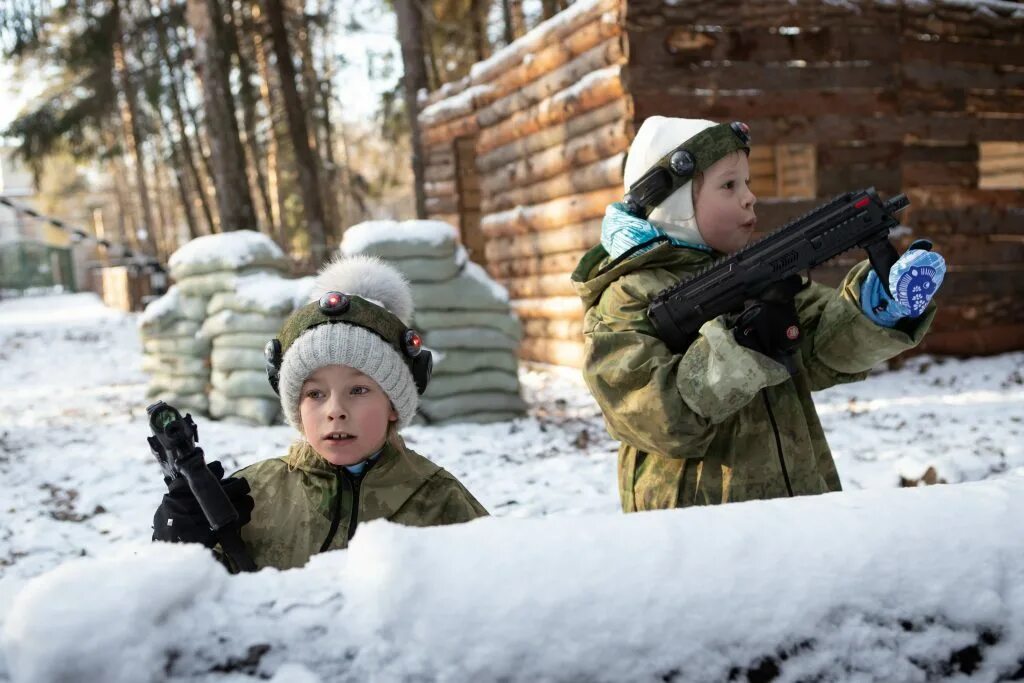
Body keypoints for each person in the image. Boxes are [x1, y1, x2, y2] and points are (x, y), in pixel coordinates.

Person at [570, 116, 946, 512]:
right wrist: (741, 347)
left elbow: (824, 348)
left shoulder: (754, 277)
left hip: (799, 500)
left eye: (747, 183)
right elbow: (652, 416)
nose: (750, 197)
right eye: (729, 185)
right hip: (695, 529)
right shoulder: (626, 297)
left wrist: (879, 306)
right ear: (673, 203)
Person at [152, 255, 488, 570]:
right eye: (315, 393)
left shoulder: (441, 501)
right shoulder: (250, 498)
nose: (335, 411)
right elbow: (195, 614)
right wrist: (179, 544)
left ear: (393, 406)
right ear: (296, 408)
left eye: (358, 390)